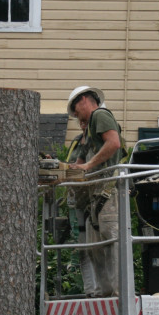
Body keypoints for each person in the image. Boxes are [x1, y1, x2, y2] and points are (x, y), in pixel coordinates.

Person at [67, 86, 123, 297]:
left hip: (106, 189)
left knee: (110, 240)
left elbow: (114, 143)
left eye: (75, 110)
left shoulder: (100, 115)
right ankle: (104, 290)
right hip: (94, 194)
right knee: (95, 245)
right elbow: (79, 163)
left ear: (83, 100)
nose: (75, 115)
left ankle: (118, 290)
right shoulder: (89, 132)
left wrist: (88, 166)